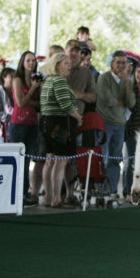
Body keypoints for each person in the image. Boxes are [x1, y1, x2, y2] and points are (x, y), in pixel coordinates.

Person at [39, 52, 82, 208]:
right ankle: (57, 197)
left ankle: (48, 197)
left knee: (49, 161)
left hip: (46, 122)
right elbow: (66, 105)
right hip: (60, 123)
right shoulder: (59, 81)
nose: (69, 65)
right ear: (57, 65)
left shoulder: (48, 81)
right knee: (60, 161)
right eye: (65, 63)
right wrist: (78, 117)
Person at [96, 50, 135, 199]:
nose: (121, 65)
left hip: (120, 124)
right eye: (118, 62)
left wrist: (126, 83)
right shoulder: (104, 78)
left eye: (124, 63)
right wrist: (120, 101)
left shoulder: (128, 81)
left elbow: (131, 102)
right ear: (112, 63)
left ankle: (112, 191)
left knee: (115, 159)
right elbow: (108, 100)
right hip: (105, 122)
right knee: (102, 158)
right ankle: (100, 190)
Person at [65, 39, 96, 204]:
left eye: (77, 51)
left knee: (71, 160)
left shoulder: (86, 73)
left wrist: (77, 94)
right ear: (65, 51)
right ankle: (51, 195)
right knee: (51, 160)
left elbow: (93, 97)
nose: (74, 53)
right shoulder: (57, 68)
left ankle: (69, 194)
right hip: (56, 119)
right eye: (71, 50)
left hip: (77, 120)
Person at [9, 51, 41, 206]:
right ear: (22, 62)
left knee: (27, 159)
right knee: (17, 158)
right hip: (19, 123)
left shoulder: (36, 79)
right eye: (28, 60)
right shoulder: (17, 79)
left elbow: (39, 103)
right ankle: (13, 192)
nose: (31, 63)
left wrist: (35, 90)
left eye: (33, 60)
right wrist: (34, 89)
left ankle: (24, 192)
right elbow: (20, 103)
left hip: (32, 123)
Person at [123, 63, 140, 201]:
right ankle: (128, 191)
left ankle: (139, 191)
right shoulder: (130, 88)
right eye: (138, 72)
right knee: (133, 161)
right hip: (131, 131)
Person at [0, 67, 15, 142]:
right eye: (12, 77)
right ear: (4, 77)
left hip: (13, 129)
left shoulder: (17, 92)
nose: (15, 79)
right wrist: (12, 117)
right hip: (0, 131)